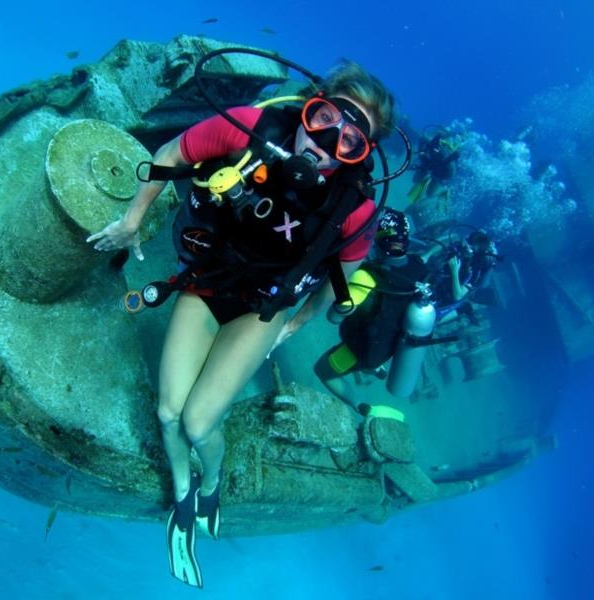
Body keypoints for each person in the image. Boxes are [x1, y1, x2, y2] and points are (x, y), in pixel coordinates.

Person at [87, 60, 395, 588]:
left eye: (349, 142)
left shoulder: (355, 211)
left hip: (260, 309)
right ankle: (184, 497)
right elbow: (170, 154)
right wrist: (133, 220)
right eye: (325, 120)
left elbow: (338, 280)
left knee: (199, 423)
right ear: (309, 106)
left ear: (359, 157)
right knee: (167, 413)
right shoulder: (248, 125)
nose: (325, 144)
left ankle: (213, 484)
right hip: (206, 285)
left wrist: (293, 326)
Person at [314, 213, 498, 408]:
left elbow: (333, 317)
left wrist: (342, 284)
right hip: (390, 347)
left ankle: (362, 407)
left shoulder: (366, 277)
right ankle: (373, 369)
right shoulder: (419, 266)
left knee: (323, 370)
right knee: (367, 357)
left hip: (361, 348)